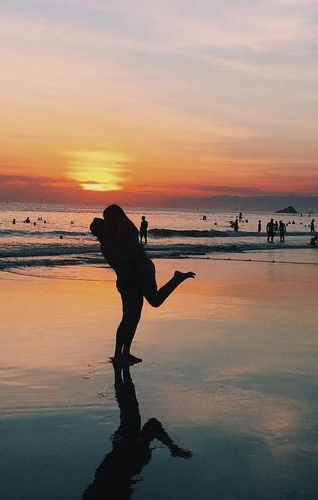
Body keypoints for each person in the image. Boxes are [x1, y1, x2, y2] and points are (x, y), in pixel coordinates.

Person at [91, 205, 195, 364]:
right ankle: (120, 354)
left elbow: (128, 254)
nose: (107, 224)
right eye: (104, 223)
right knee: (130, 318)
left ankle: (124, 353)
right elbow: (125, 258)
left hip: (134, 279)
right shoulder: (108, 245)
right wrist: (136, 254)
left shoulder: (117, 237)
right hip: (128, 282)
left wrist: (136, 254)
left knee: (134, 317)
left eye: (107, 220)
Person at [83, 364, 192, 498]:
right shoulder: (109, 477)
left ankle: (120, 371)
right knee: (131, 410)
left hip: (128, 450)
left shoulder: (105, 477)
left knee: (130, 409)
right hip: (130, 451)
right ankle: (120, 371)